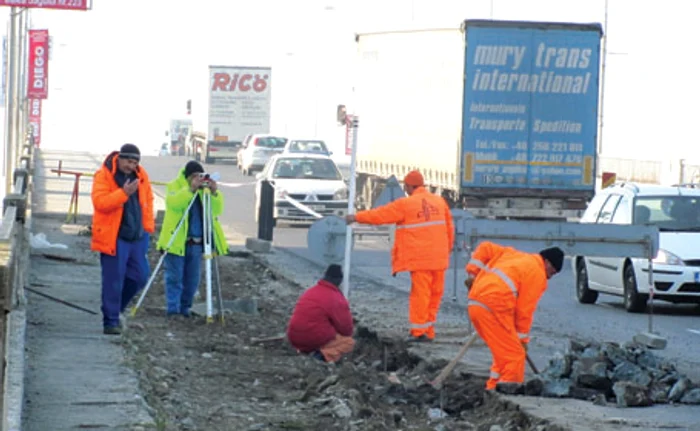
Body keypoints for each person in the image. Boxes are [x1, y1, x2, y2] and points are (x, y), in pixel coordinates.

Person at [345, 170, 454, 343]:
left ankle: (419, 332)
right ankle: (428, 330)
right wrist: (444, 251)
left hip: (420, 260)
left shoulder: (406, 204)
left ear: (409, 186)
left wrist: (356, 217)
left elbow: (380, 215)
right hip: (439, 258)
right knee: (435, 295)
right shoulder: (439, 202)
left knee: (421, 295)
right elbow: (449, 230)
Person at [464, 242, 564, 390]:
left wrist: (473, 273)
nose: (550, 276)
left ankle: (493, 388)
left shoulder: (512, 254)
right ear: (547, 262)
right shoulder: (537, 273)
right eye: (552, 271)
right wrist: (522, 340)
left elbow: (485, 247)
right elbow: (524, 310)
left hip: (477, 304)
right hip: (495, 307)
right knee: (515, 356)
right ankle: (509, 392)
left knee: (503, 354)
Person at [91, 143, 154, 335]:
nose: (131, 166)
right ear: (120, 158)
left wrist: (147, 230)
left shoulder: (141, 175)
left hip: (137, 237)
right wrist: (123, 193)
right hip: (114, 237)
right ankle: (110, 321)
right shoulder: (104, 175)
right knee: (114, 280)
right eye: (129, 161)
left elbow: (148, 202)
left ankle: (116, 310)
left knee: (140, 276)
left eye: (135, 162)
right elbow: (100, 203)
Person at [156, 160, 228, 318]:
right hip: (176, 242)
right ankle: (173, 309)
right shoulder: (175, 186)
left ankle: (185, 308)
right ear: (187, 177)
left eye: (200, 176)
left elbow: (216, 210)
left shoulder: (205, 192)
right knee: (174, 278)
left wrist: (214, 192)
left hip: (196, 244)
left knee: (192, 280)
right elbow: (174, 204)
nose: (197, 179)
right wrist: (190, 189)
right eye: (194, 176)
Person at [287, 264, 355, 363]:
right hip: (313, 339)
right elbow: (346, 330)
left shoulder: (311, 291)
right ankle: (321, 357)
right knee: (349, 343)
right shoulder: (336, 298)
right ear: (339, 281)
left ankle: (308, 352)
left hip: (294, 338)